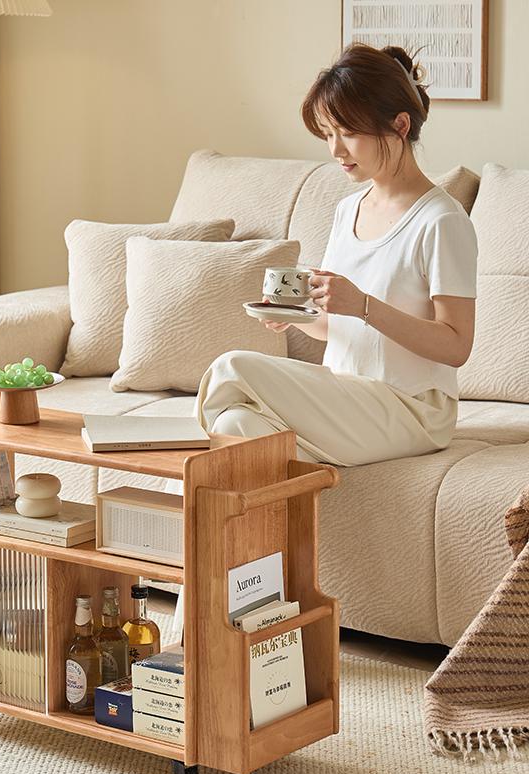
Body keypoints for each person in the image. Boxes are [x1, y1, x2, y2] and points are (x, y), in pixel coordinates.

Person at [192, 43, 478, 468]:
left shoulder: (441, 221)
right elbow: (336, 328)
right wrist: (297, 316)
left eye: (348, 133)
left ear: (400, 125)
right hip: (344, 395)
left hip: (411, 409)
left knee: (231, 367)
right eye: (328, 134)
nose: (335, 150)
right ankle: (267, 536)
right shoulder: (348, 211)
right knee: (235, 425)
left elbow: (456, 345)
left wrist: (363, 306)